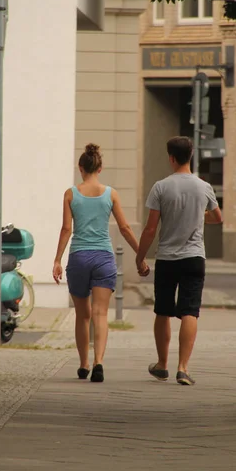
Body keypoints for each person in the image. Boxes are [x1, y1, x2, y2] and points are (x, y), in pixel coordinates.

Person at [53, 143, 149, 383]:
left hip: (78, 257)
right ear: (101, 167)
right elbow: (125, 228)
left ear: (80, 167)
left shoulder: (70, 194)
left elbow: (66, 229)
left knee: (82, 315)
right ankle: (98, 363)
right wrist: (140, 255)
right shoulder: (111, 194)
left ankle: (83, 364)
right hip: (104, 257)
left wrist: (57, 260)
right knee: (101, 314)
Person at [136, 136, 222, 386]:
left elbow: (151, 229)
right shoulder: (203, 186)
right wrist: (199, 215)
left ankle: (162, 365)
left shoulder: (161, 187)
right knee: (190, 311)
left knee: (163, 310)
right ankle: (183, 369)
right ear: (191, 155)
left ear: (171, 158)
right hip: (194, 258)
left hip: (166, 259)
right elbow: (218, 217)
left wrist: (140, 257)